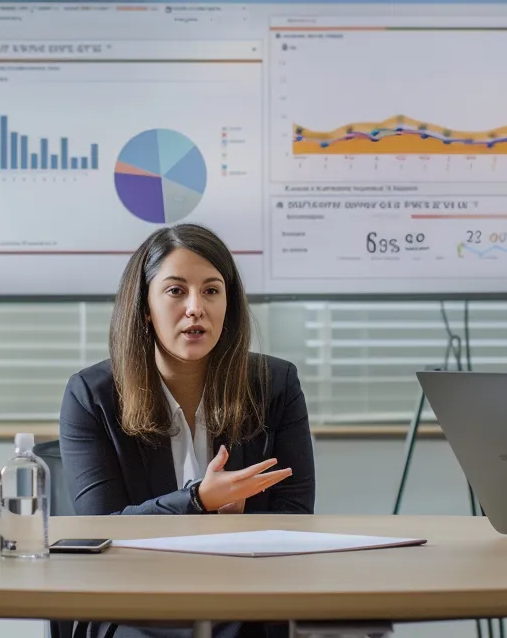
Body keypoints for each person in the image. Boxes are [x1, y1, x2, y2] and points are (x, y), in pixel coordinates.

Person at [57, 224, 315, 638]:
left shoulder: (275, 385)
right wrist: (197, 501)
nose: (196, 308)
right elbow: (100, 529)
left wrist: (242, 518)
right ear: (145, 306)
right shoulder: (93, 395)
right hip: (133, 595)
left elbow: (298, 519)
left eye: (212, 291)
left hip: (245, 588)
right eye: (176, 291)